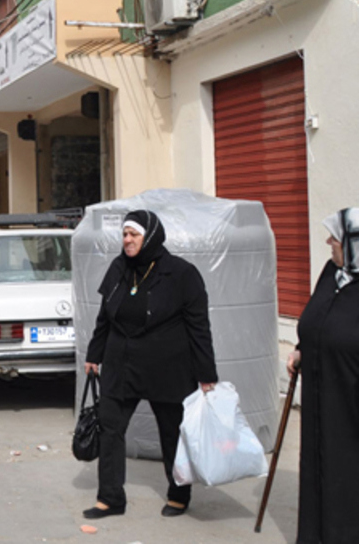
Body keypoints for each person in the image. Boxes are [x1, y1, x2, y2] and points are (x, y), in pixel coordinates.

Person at [82, 210, 217, 519]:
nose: (127, 240)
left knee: (171, 432)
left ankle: (179, 494)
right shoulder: (118, 268)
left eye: (134, 235)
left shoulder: (181, 274)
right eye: (124, 234)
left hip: (166, 366)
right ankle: (110, 498)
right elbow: (105, 317)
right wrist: (94, 354)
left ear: (151, 236)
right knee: (110, 428)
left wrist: (206, 373)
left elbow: (199, 327)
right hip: (121, 362)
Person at [287, 207, 359, 543]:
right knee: (318, 464)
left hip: (349, 397)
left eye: (336, 237)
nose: (329, 241)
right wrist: (303, 348)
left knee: (347, 469)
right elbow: (316, 317)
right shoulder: (333, 273)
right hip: (322, 392)